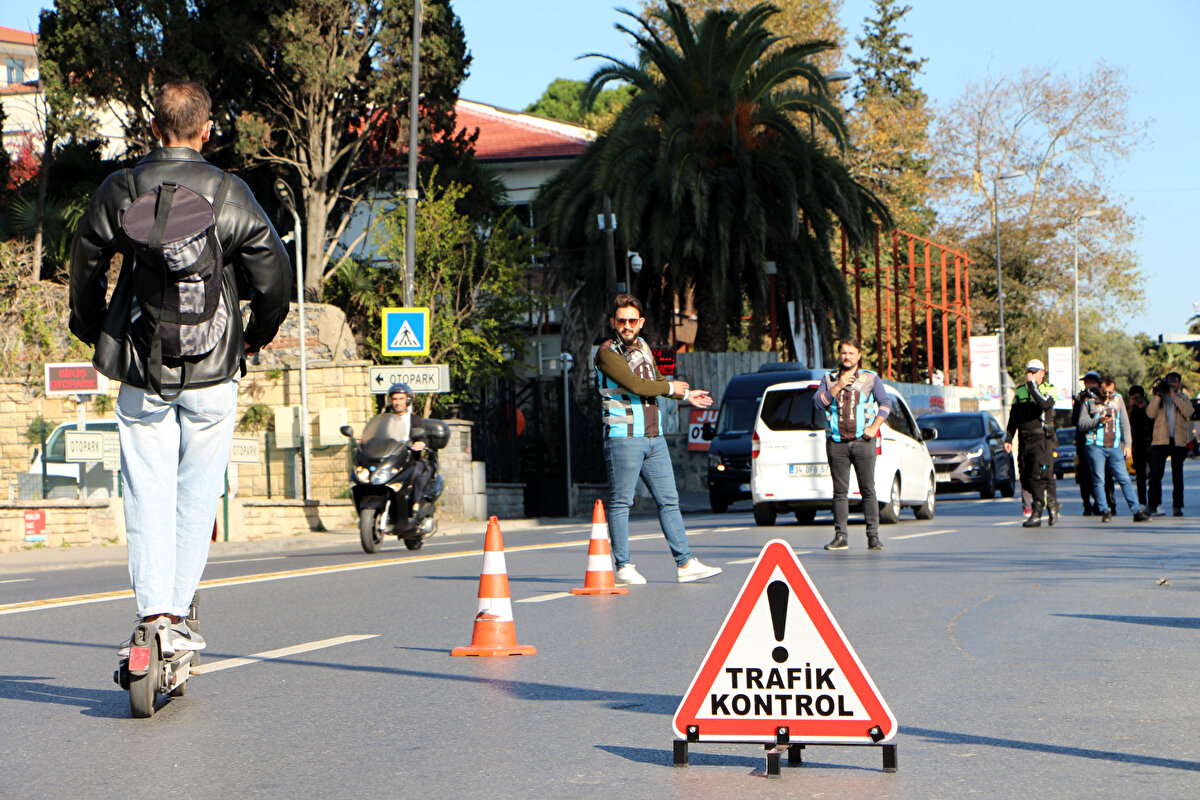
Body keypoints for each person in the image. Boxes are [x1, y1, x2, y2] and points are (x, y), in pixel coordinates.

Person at [69, 81, 291, 655]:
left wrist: (93, 325)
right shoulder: (228, 192)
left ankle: (152, 613)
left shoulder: (122, 187)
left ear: (153, 128)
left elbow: (86, 258)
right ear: (206, 130)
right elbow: (274, 274)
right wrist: (254, 338)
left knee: (146, 490)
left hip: (142, 366)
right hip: (214, 369)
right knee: (197, 492)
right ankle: (182, 617)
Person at [595, 294, 722, 584]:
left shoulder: (643, 348)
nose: (627, 326)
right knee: (622, 502)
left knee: (669, 500)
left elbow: (653, 385)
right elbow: (637, 385)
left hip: (654, 437)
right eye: (621, 320)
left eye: (632, 320)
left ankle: (685, 562)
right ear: (614, 322)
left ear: (640, 323)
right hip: (623, 437)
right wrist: (674, 389)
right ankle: (624, 566)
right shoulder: (607, 352)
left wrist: (688, 395)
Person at [813, 337, 893, 551]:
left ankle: (873, 537)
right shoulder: (829, 379)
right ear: (839, 355)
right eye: (843, 353)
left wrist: (875, 427)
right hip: (837, 443)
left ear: (859, 355)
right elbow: (818, 403)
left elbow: (886, 403)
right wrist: (838, 386)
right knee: (840, 492)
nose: (846, 357)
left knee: (868, 490)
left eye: (851, 353)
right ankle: (841, 536)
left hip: (862, 442)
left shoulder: (870, 378)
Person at [1077, 375, 1149, 523]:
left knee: (1124, 479)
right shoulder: (1089, 402)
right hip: (1096, 446)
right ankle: (1104, 510)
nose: (1108, 395)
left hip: (1115, 446)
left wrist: (1128, 445)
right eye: (1104, 392)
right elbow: (1081, 424)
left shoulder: (1118, 399)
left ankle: (1136, 510)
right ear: (1099, 387)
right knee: (1099, 479)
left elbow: (1125, 423)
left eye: (1110, 391)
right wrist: (1098, 421)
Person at [1003, 359, 1059, 527]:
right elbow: (1013, 418)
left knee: (1040, 474)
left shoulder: (1048, 390)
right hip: (1024, 439)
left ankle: (1038, 510)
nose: (1031, 375)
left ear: (1042, 373)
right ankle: (1050, 503)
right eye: (1029, 372)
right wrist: (1008, 438)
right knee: (1026, 475)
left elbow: (1044, 404)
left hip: (1042, 439)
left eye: (1034, 372)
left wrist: (1033, 387)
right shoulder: (1020, 391)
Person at [1145, 371, 1192, 516]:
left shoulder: (1183, 398)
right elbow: (1150, 414)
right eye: (1169, 381)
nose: (1171, 384)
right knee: (1155, 474)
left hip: (1178, 441)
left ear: (1179, 383)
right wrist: (1158, 396)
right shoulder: (1159, 398)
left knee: (1177, 475)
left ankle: (1177, 506)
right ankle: (1152, 504)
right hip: (1160, 440)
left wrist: (1174, 396)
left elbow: (1188, 412)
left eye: (1174, 381)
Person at [385, 382, 433, 521]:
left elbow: (422, 437)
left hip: (410, 458)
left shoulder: (414, 420)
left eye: (401, 398)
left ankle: (416, 503)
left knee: (417, 472)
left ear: (407, 400)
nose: (398, 402)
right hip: (390, 459)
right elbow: (378, 435)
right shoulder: (387, 419)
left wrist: (419, 443)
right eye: (395, 399)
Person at [1072, 371, 1112, 516]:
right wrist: (1081, 403)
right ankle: (1086, 504)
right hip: (1084, 442)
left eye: (1093, 382)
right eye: (1087, 382)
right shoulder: (1082, 399)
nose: (1090, 385)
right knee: (1085, 475)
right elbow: (1075, 421)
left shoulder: (1103, 397)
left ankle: (1103, 503)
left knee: (1102, 473)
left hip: (1101, 440)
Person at [1127, 385, 1153, 507]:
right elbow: (1125, 422)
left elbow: (1153, 417)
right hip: (1137, 445)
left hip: (1150, 444)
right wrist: (1131, 406)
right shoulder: (1130, 409)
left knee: (1154, 475)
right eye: (1133, 397)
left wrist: (1145, 407)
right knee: (1140, 476)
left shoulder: (1148, 406)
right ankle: (1142, 501)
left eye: (1138, 397)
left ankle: (1154, 501)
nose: (1136, 399)